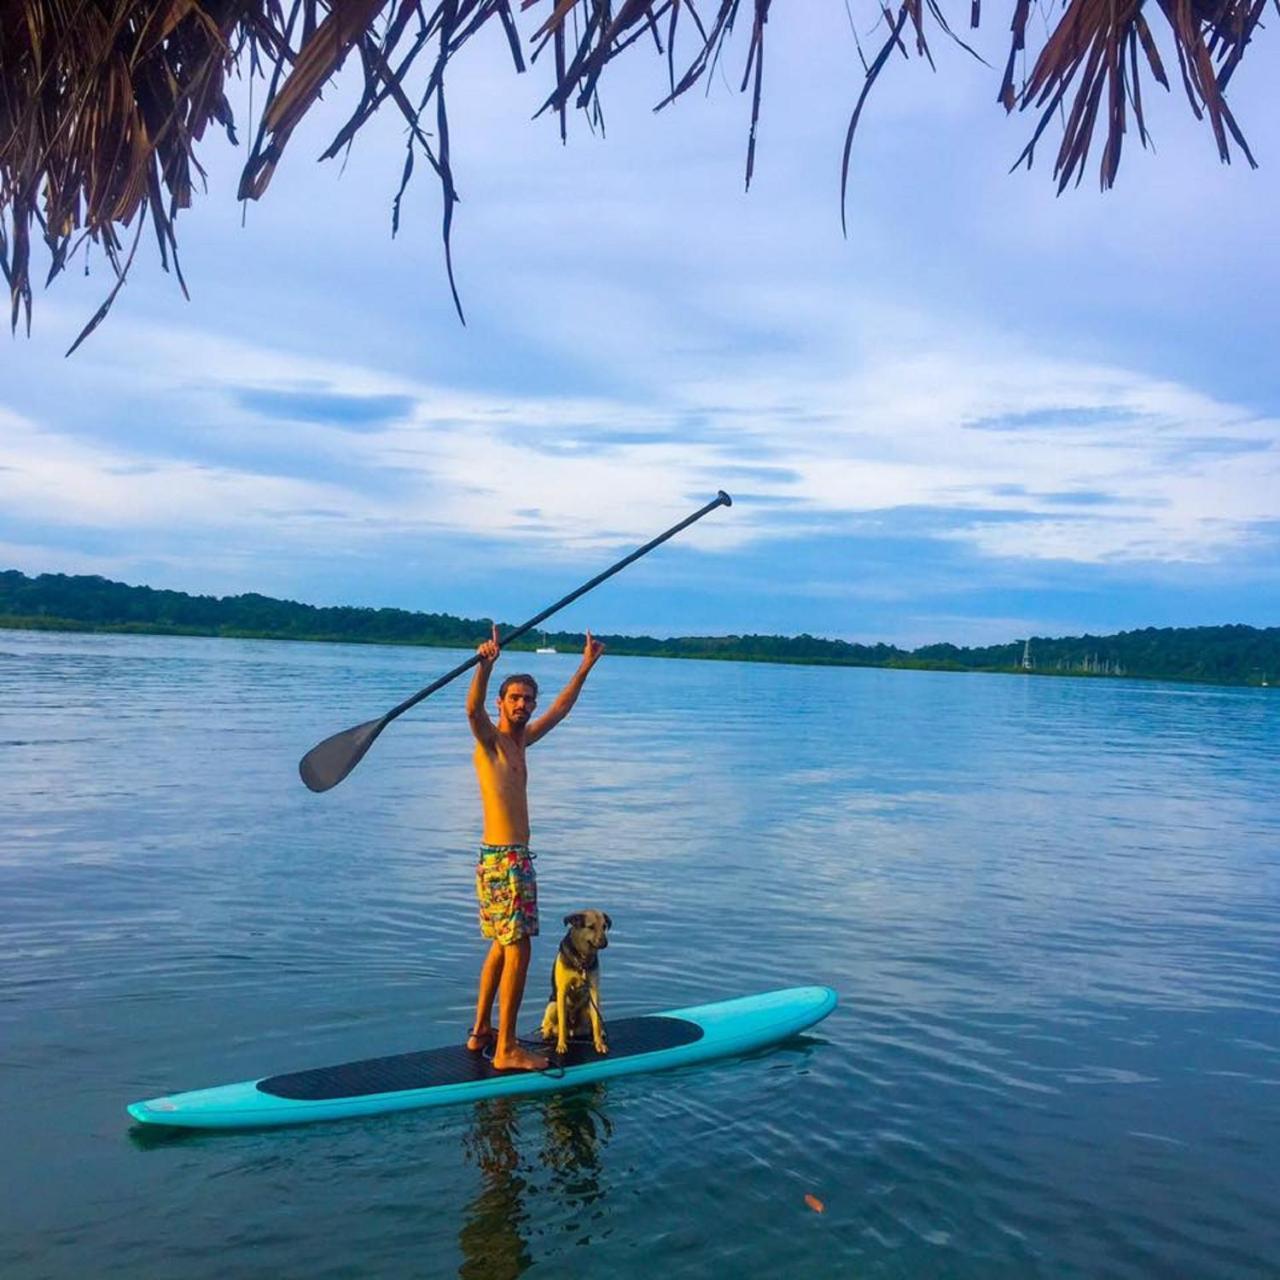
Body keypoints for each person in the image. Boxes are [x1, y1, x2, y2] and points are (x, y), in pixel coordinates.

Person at [466, 623, 606, 1070]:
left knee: (499, 948)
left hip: (505, 861)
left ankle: (480, 1032)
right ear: (500, 704)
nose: (523, 705)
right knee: (519, 949)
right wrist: (485, 668)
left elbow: (561, 710)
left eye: (529, 699)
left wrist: (585, 665)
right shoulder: (492, 742)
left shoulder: (522, 741)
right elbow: (471, 712)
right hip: (505, 862)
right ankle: (506, 1048)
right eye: (515, 699)